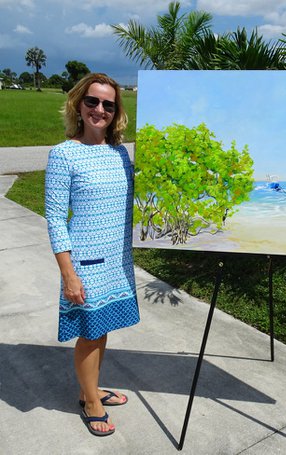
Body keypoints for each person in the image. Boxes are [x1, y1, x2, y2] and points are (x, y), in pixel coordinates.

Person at [45, 73, 140, 437]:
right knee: (89, 334)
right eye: (92, 101)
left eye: (108, 105)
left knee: (101, 331)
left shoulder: (120, 154)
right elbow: (55, 219)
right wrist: (69, 274)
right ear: (78, 104)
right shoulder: (64, 154)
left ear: (116, 113)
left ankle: (92, 388)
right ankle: (90, 401)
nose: (99, 109)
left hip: (117, 261)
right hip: (85, 262)